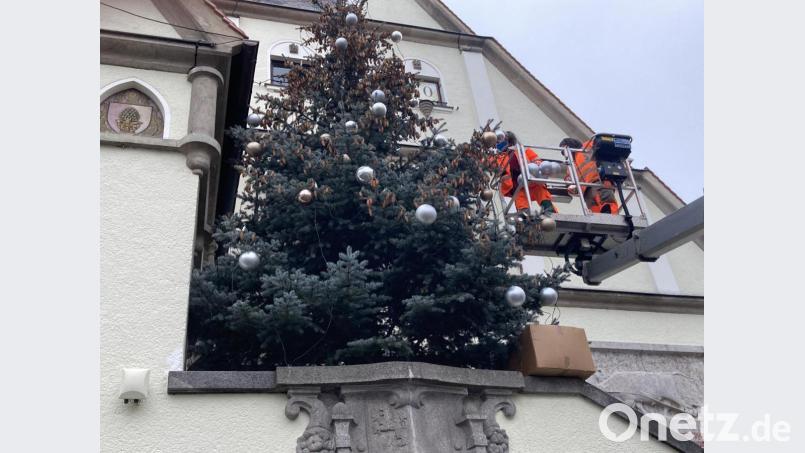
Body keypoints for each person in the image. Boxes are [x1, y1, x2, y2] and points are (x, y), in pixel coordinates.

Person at [493, 131, 556, 215]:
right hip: (515, 184)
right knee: (520, 198)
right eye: (496, 142)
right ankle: (524, 215)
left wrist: (537, 165)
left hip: (531, 179)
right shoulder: (498, 156)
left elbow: (537, 160)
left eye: (499, 141)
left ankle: (549, 210)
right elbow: (494, 167)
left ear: (509, 141)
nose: (498, 143)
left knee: (541, 191)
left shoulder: (523, 150)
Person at [560, 137, 618, 214]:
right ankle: (599, 222)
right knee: (594, 210)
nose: (565, 154)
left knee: (606, 203)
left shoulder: (587, 147)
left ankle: (611, 217)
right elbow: (569, 180)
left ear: (569, 146)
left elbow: (602, 140)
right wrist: (570, 187)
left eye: (565, 150)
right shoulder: (570, 164)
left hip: (599, 181)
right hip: (586, 191)